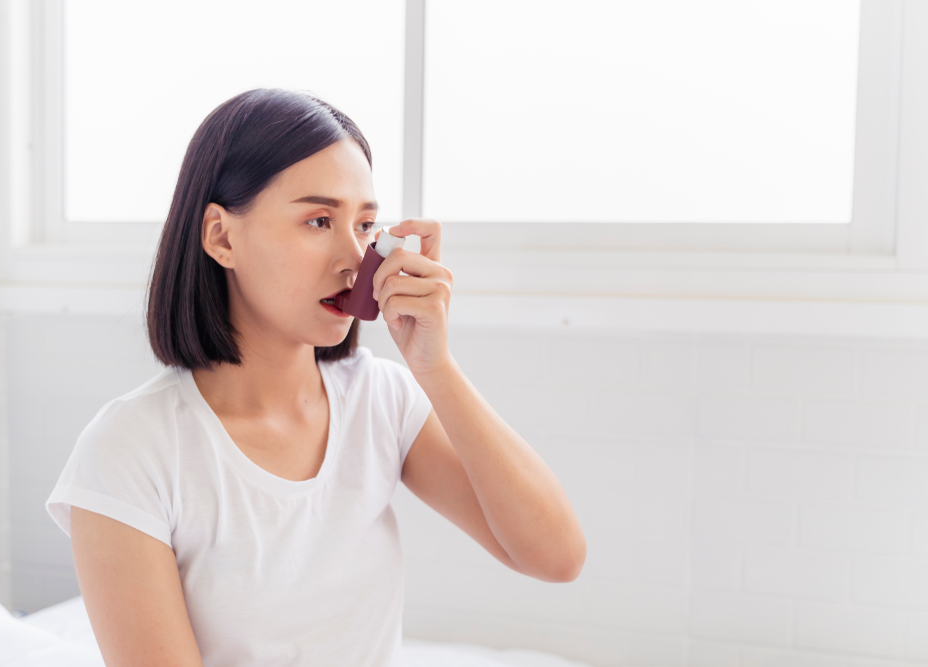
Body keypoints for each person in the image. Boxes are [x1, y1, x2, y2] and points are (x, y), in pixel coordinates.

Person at [45, 88, 586, 667]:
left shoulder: (380, 399)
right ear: (221, 237)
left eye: (366, 224)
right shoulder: (131, 449)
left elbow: (555, 557)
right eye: (319, 220)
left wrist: (435, 367)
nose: (354, 257)